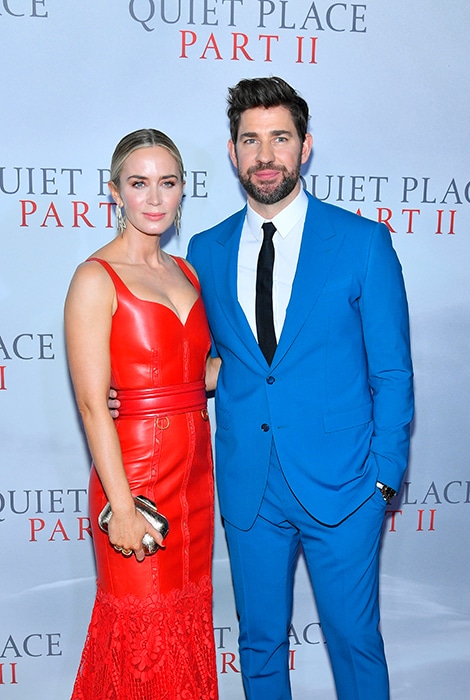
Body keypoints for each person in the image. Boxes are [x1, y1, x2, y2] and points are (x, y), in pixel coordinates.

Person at [185, 77, 414, 699]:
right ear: (232, 151)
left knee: (355, 641)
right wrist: (136, 391)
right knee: (258, 644)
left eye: (280, 138)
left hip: (346, 485)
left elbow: (392, 371)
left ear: (305, 147)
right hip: (250, 486)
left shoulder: (362, 242)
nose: (265, 155)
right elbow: (202, 360)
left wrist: (384, 477)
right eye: (250, 140)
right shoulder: (205, 251)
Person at [65, 129, 219, 700]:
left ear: (182, 191)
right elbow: (91, 405)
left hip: (195, 479)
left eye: (167, 183)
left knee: (184, 621)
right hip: (133, 483)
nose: (154, 198)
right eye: (139, 183)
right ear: (115, 192)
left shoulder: (190, 273)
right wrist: (123, 507)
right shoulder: (94, 278)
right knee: (140, 636)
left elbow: (197, 376)